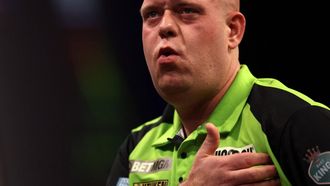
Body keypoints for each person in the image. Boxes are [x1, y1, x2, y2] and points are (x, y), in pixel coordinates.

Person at [107, 0, 330, 185]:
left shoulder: (297, 122)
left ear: (233, 30)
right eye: (152, 14)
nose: (164, 26)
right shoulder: (136, 146)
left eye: (187, 11)